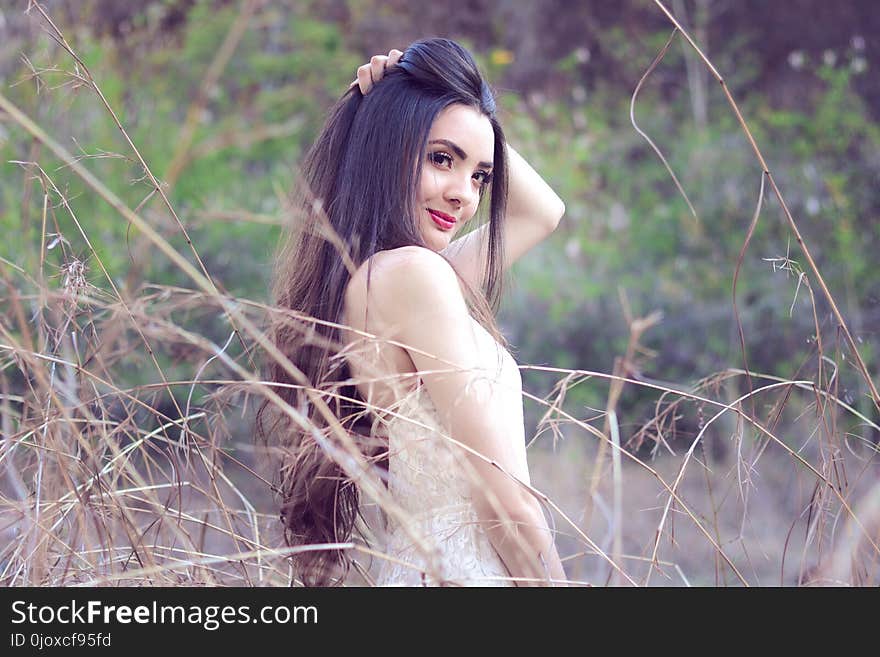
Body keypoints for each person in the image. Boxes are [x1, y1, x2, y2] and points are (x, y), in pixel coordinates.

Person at [260, 38, 567, 586]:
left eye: (480, 176)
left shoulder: (392, 279)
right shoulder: (414, 278)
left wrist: (461, 108)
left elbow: (544, 212)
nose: (464, 196)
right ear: (389, 150)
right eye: (441, 159)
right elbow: (503, 499)